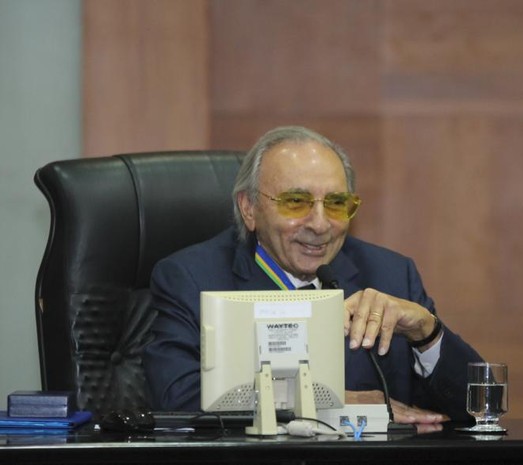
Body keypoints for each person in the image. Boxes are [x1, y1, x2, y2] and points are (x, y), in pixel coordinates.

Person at [144, 125, 484, 426]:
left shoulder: (390, 275)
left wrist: (427, 333)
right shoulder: (191, 278)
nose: (320, 225)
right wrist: (333, 402)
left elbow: (477, 408)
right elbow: (177, 400)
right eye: (296, 201)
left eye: (336, 203)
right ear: (249, 208)